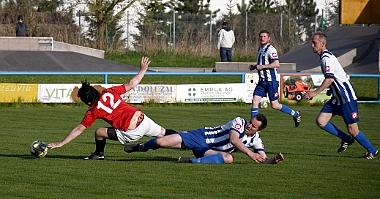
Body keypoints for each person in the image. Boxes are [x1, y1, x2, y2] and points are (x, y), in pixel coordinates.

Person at [47, 57, 177, 160]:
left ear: (87, 101)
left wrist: (62, 143)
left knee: (99, 132)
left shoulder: (93, 111)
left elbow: (78, 130)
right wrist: (143, 69)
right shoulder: (109, 92)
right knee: (164, 133)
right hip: (142, 119)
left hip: (132, 131)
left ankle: (99, 154)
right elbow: (132, 84)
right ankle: (187, 140)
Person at [304, 32, 378, 159]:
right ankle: (346, 139)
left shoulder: (326, 58)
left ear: (322, 44)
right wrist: (331, 91)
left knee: (353, 129)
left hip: (346, 97)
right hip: (337, 98)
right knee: (321, 121)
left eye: (314, 43)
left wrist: (314, 93)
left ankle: (372, 150)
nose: (312, 45)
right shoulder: (324, 57)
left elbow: (329, 79)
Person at [124, 114, 284, 164]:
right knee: (160, 142)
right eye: (250, 122)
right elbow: (234, 139)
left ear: (259, 131)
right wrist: (251, 154)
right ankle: (141, 147)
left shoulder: (256, 140)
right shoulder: (239, 122)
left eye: (253, 126)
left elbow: (261, 158)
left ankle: (190, 161)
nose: (249, 126)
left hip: (209, 151)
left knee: (229, 158)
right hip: (200, 136)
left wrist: (272, 160)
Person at [249, 30, 301, 127]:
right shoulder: (260, 49)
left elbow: (276, 64)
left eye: (264, 36)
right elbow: (262, 64)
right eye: (261, 36)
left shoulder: (271, 49)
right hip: (262, 81)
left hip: (271, 81)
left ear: (268, 38)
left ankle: (295, 114)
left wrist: (262, 67)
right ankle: (254, 125)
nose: (262, 38)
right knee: (255, 101)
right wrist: (255, 66)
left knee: (275, 105)